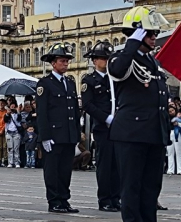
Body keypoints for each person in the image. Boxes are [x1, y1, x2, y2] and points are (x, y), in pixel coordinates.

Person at [107, 5, 171, 221]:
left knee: (151, 188)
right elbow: (116, 71)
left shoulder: (153, 61)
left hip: (153, 133)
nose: (155, 37)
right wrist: (131, 43)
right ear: (138, 33)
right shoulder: (122, 57)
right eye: (150, 33)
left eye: (155, 33)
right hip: (132, 134)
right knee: (131, 187)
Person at [34, 43, 82, 213]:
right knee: (52, 170)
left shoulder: (69, 83)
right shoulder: (45, 83)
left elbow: (74, 111)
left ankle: (64, 199)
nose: (65, 64)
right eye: (62, 61)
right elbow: (42, 112)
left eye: (67, 61)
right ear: (53, 63)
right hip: (54, 134)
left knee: (65, 171)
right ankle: (54, 201)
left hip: (68, 134)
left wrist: (76, 133)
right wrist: (45, 136)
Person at [81, 40, 120, 211]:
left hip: (119, 127)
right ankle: (104, 199)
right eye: (103, 58)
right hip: (103, 127)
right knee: (105, 165)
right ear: (95, 61)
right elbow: (88, 105)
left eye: (108, 58)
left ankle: (115, 197)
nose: (107, 61)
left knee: (117, 165)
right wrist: (106, 118)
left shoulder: (115, 79)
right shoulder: (89, 80)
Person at [167, 107, 181, 175]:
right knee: (170, 152)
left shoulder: (180, 116)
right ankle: (170, 169)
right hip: (169, 133)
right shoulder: (167, 117)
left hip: (178, 133)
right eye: (170, 111)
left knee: (179, 152)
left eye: (173, 110)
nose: (171, 112)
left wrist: (178, 124)